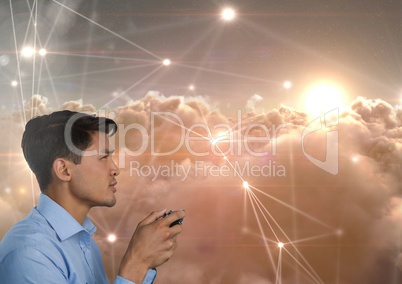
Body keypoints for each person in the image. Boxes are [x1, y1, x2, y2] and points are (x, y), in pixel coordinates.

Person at [0, 110, 185, 283]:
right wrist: (137, 263)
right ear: (64, 170)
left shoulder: (82, 240)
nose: (115, 169)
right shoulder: (30, 254)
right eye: (103, 157)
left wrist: (146, 262)